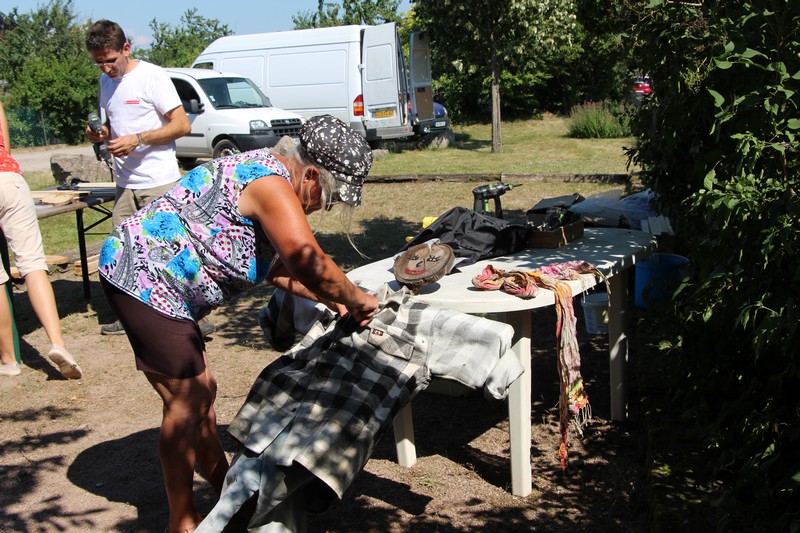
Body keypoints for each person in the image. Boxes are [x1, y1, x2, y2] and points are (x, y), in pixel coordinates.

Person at [97, 114, 379, 533]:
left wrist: (330, 298)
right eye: (329, 196)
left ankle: (227, 492)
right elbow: (309, 262)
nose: (325, 206)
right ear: (311, 175)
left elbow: (274, 268)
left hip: (161, 283)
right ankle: (181, 520)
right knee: (187, 400)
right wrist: (357, 298)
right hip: (141, 275)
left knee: (202, 394)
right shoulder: (271, 184)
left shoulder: (269, 172)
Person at [84, 19, 218, 337]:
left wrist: (139, 139)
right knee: (123, 253)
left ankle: (193, 317)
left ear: (126, 48)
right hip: (125, 184)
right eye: (99, 62)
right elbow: (113, 126)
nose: (105, 68)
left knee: (169, 250)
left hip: (158, 180)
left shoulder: (152, 76)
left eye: (110, 60)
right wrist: (100, 133)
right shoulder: (106, 82)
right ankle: (132, 316)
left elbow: (182, 125)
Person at [0, 101, 82, 379]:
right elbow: (5, 145)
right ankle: (58, 344)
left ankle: (9, 360)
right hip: (9, 179)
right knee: (34, 265)